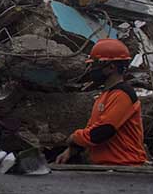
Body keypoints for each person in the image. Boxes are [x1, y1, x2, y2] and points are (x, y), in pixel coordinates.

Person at [55, 38, 147, 166]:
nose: (92, 70)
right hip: (107, 166)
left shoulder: (123, 94)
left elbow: (103, 131)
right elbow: (93, 128)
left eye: (95, 65)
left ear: (111, 67)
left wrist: (74, 138)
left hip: (125, 166)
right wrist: (72, 150)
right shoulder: (105, 95)